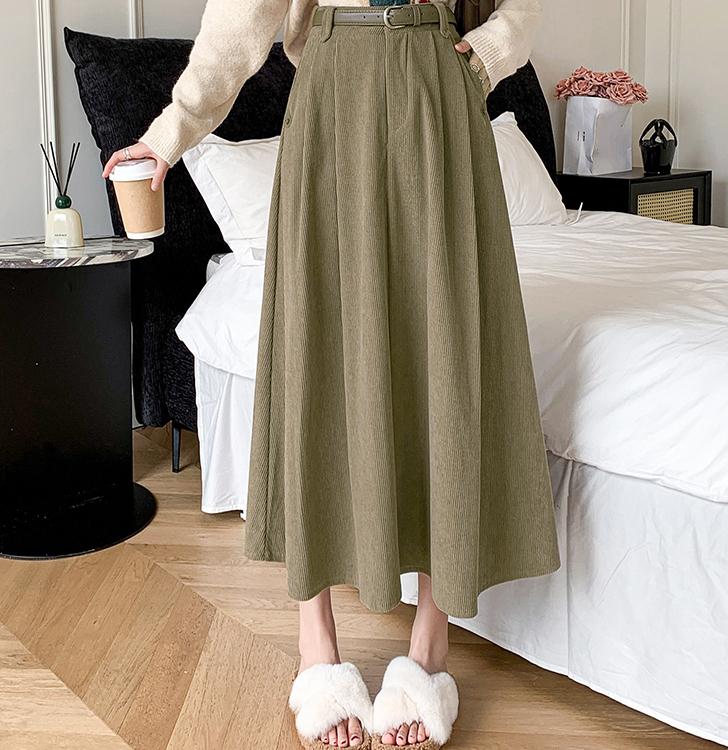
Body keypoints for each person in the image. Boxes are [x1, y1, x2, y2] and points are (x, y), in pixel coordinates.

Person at [103, 0, 559, 747]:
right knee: (316, 354)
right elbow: (240, 22)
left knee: (444, 348)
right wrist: (165, 137)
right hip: (331, 97)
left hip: (440, 89)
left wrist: (487, 53)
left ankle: (430, 648)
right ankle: (316, 644)